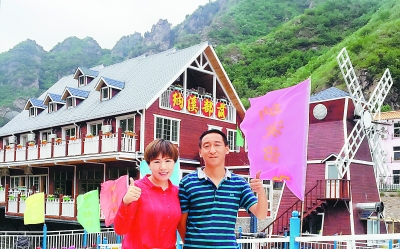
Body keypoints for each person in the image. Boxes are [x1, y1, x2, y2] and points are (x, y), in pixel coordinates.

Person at [178, 129, 268, 248]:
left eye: (217, 145)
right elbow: (181, 222)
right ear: (200, 152)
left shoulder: (239, 183)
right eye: (206, 146)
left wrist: (261, 192)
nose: (212, 150)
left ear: (226, 149)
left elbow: (261, 214)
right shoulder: (187, 182)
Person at [114, 139, 181, 249]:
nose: (163, 167)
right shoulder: (137, 189)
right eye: (157, 161)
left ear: (174, 162)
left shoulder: (178, 192)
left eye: (168, 161)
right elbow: (120, 229)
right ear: (149, 164)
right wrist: (125, 202)